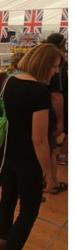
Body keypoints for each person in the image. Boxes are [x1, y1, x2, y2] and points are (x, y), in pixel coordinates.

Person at [0, 43, 62, 250]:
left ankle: (1, 249)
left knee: (7, 201)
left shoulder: (9, 81)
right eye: (54, 66)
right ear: (43, 64)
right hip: (28, 162)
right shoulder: (39, 92)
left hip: (7, 155)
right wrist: (49, 174)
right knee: (29, 211)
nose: (56, 71)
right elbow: (39, 139)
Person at [46, 33, 68, 168]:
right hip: (51, 110)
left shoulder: (44, 59)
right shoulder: (55, 61)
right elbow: (56, 95)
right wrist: (60, 121)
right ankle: (51, 181)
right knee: (49, 144)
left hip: (45, 108)